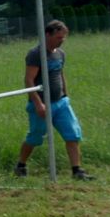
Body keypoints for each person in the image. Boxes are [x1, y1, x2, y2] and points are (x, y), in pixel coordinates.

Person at [15, 19, 92, 180]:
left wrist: (66, 95)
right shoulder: (36, 54)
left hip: (61, 103)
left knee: (73, 134)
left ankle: (77, 170)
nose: (62, 40)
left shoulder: (60, 54)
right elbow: (29, 80)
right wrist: (38, 104)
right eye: (58, 37)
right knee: (35, 137)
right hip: (42, 104)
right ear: (47, 35)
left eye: (64, 37)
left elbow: (60, 74)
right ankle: (21, 165)